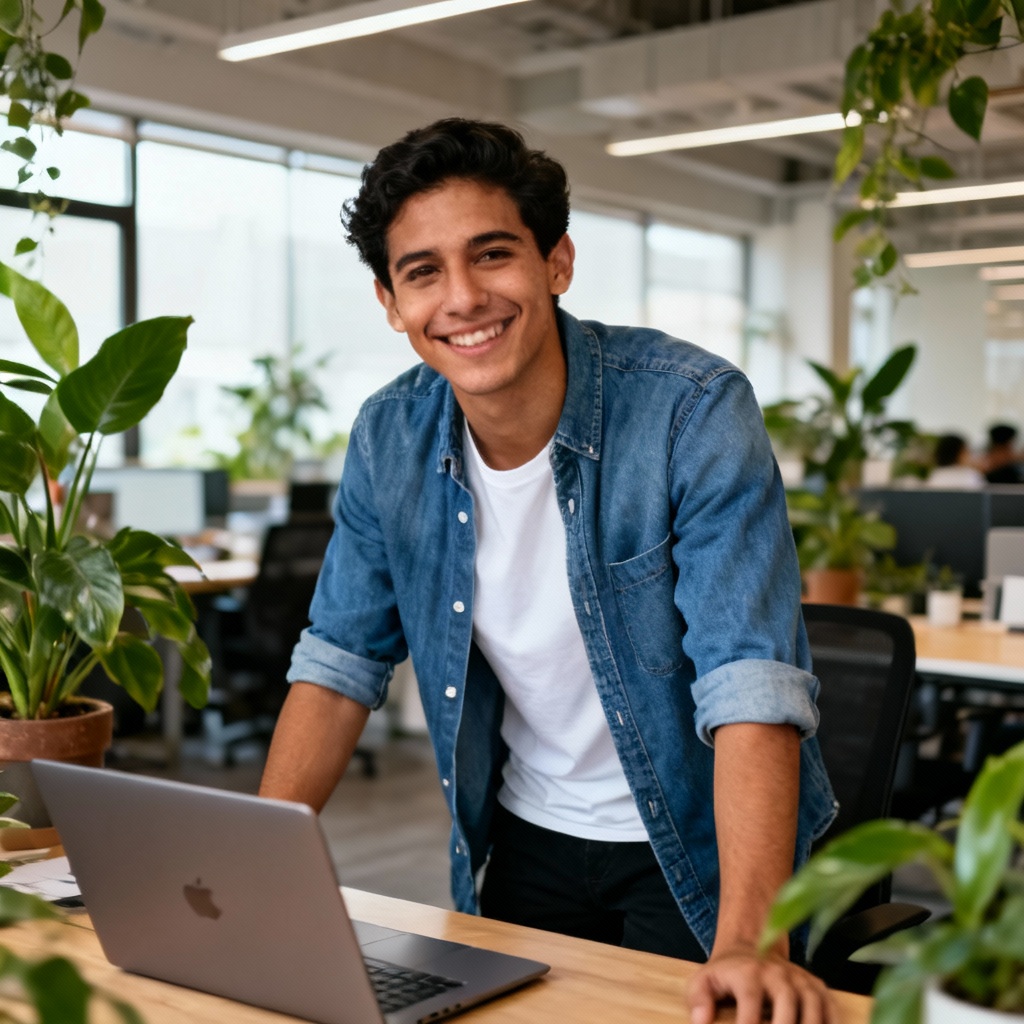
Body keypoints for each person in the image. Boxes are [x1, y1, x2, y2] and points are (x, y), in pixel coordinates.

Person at [259, 118, 836, 1024]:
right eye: (422, 272)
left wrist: (751, 942)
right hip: (525, 838)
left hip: (696, 846)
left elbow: (749, 681)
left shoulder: (690, 410)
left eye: (493, 255)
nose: (462, 299)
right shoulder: (389, 437)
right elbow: (338, 665)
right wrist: (255, 873)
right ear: (389, 300)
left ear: (556, 262)